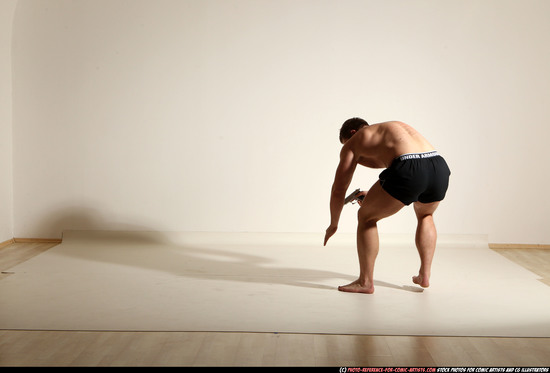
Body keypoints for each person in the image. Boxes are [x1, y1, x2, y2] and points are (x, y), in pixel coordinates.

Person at [324, 118, 450, 294]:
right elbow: (400, 170)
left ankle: (365, 282)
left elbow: (339, 189)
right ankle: (424, 275)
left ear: (352, 133)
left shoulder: (354, 141)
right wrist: (375, 198)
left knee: (365, 217)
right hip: (438, 165)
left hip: (408, 168)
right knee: (425, 215)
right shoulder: (391, 129)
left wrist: (333, 224)